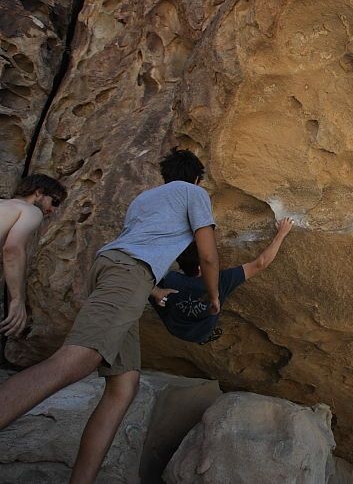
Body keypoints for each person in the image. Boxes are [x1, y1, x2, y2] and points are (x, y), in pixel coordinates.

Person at [0, 148, 219, 484]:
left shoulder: (144, 200)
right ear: (196, 177)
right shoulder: (194, 193)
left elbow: (137, 247)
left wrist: (154, 290)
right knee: (75, 361)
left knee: (124, 385)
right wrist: (213, 294)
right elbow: (207, 253)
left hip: (117, 271)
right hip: (128, 275)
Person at [150, 217, 294, 345]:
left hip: (175, 327)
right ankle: (204, 337)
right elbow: (260, 263)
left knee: (151, 290)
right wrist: (282, 233)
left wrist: (156, 291)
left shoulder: (171, 279)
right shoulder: (220, 281)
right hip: (202, 331)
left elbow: (139, 279)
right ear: (201, 266)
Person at [1, 174, 67, 337]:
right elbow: (12, 248)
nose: (53, 210)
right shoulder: (30, 210)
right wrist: (17, 299)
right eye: (55, 202)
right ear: (38, 193)